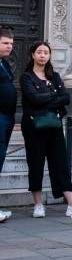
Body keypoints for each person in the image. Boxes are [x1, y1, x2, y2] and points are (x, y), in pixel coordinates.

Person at [20, 41, 72, 218]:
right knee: (35, 163)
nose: (43, 55)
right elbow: (33, 99)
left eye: (46, 52)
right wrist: (54, 96)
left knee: (60, 163)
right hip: (33, 127)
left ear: (49, 56)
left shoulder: (55, 76)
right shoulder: (26, 77)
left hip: (54, 126)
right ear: (33, 55)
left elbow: (66, 98)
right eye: (39, 52)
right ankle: (38, 204)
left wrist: (45, 99)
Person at [0, 28, 15, 223]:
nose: (10, 47)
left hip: (7, 118)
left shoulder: (5, 64)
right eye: (5, 43)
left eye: (11, 44)